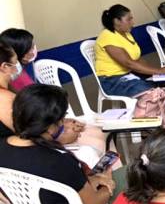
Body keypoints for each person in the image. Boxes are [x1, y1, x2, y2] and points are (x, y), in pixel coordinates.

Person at [0, 85, 119, 204]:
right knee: (130, 182)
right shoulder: (59, 160)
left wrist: (92, 181)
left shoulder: (4, 148)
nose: (64, 122)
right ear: (50, 128)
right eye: (62, 119)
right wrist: (108, 183)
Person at [2, 29, 117, 165]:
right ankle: (102, 178)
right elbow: (30, 133)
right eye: (14, 64)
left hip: (47, 128)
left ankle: (107, 176)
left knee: (99, 133)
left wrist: (63, 121)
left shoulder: (13, 85)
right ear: (4, 66)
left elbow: (38, 114)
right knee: (96, 141)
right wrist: (61, 132)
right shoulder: (6, 99)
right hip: (37, 145)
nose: (16, 69)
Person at [95, 4, 165, 130]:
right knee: (154, 92)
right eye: (129, 19)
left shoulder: (125, 34)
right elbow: (128, 63)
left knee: (164, 84)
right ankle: (151, 129)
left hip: (130, 75)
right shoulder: (108, 37)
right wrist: (159, 71)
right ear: (117, 21)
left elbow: (138, 59)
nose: (133, 22)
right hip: (113, 81)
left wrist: (158, 74)